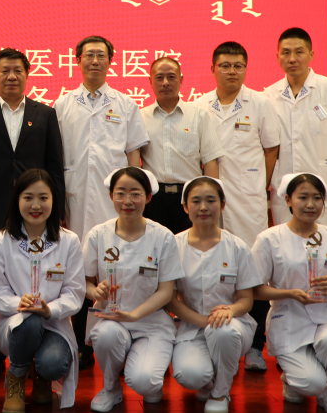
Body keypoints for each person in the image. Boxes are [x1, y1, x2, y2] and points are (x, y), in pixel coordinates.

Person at [0, 48, 66, 379]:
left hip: (36, 210)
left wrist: (58, 210)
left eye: (18, 70)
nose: (11, 76)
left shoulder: (45, 114)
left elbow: (55, 166)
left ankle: (33, 346)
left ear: (27, 75)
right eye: (5, 71)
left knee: (34, 274)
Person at [54, 35, 149, 369]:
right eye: (88, 55)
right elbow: (54, 157)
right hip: (74, 199)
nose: (95, 61)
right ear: (77, 60)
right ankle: (81, 343)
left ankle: (117, 338)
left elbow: (133, 156)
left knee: (114, 266)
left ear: (111, 61)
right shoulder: (62, 105)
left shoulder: (126, 105)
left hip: (115, 203)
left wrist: (134, 199)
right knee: (79, 269)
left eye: (101, 55)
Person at [198, 41, 280, 373]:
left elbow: (271, 149)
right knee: (215, 268)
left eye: (238, 66)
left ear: (246, 69)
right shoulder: (199, 105)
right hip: (210, 201)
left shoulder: (260, 103)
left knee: (252, 270)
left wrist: (259, 184)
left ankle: (257, 346)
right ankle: (214, 338)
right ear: (213, 68)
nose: (232, 71)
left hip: (248, 199)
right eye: (225, 65)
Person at [252, 173, 327, 413]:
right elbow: (255, 290)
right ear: (288, 200)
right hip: (288, 317)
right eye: (303, 197)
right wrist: (288, 293)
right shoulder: (269, 239)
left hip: (326, 314)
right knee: (310, 382)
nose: (310, 204)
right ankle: (293, 380)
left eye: (317, 198)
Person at [83, 167, 184, 411]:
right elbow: (84, 282)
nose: (127, 201)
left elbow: (166, 291)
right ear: (111, 196)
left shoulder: (163, 237)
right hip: (111, 318)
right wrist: (94, 292)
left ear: (148, 197)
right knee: (106, 336)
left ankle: (148, 379)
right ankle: (110, 388)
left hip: (152, 321)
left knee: (145, 383)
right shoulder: (98, 235)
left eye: (135, 194)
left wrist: (134, 315)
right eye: (120, 193)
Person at [0, 169, 84, 412]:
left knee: (53, 363)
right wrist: (20, 303)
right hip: (14, 322)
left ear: (54, 200)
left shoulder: (69, 241)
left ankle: (42, 375)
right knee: (29, 321)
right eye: (28, 197)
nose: (36, 205)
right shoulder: (0, 240)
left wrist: (49, 310)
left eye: (43, 197)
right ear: (16, 199)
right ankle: (17, 376)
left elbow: (75, 293)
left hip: (54, 322)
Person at [166, 177, 261, 413]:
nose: (203, 207)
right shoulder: (173, 246)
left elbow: (246, 300)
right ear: (185, 207)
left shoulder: (237, 247)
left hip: (232, 325)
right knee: (190, 375)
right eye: (196, 201)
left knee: (222, 331)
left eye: (211, 201)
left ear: (223, 205)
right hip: (192, 325)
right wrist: (203, 321)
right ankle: (209, 380)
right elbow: (170, 300)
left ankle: (220, 392)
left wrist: (230, 311)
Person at [266, 28, 327, 231]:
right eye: (286, 53)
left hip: (324, 183)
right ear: (277, 57)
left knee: (326, 241)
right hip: (285, 186)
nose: (292, 59)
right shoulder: (268, 96)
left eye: (299, 52)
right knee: (287, 242)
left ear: (311, 54)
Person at [140, 56, 224, 235]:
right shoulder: (140, 117)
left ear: (181, 80)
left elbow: (210, 161)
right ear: (150, 81)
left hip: (190, 197)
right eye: (159, 77)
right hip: (153, 199)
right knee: (155, 249)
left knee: (191, 247)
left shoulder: (198, 116)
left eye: (171, 77)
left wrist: (211, 199)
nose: (165, 83)